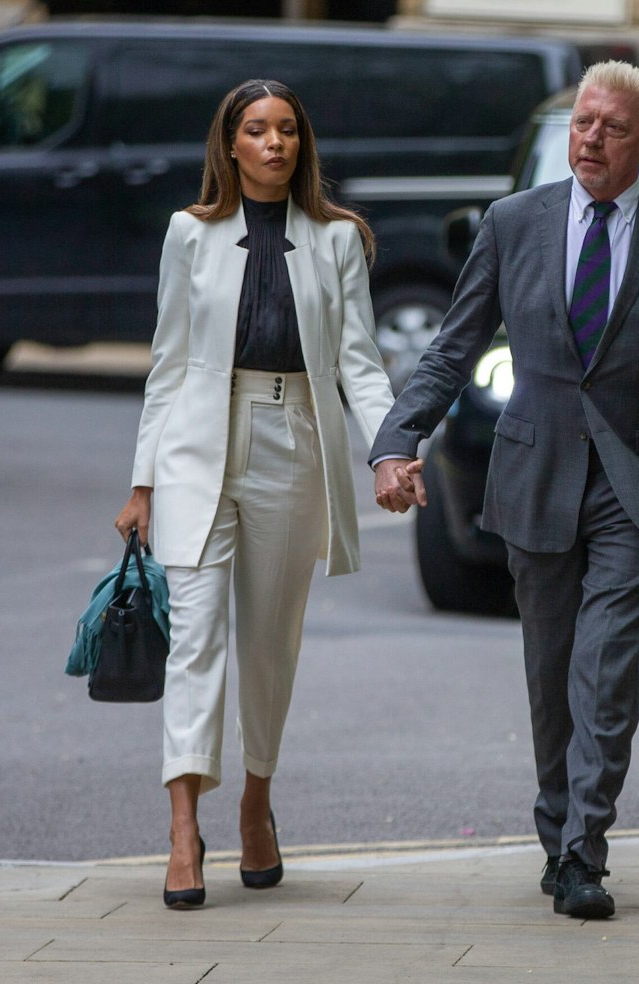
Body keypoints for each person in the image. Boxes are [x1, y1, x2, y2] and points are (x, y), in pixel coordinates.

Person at [371, 61, 639, 920]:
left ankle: (585, 852)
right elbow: (452, 346)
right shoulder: (514, 223)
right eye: (583, 123)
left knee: (602, 664)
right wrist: (397, 440)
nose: (592, 139)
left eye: (614, 129)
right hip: (538, 476)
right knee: (551, 669)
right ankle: (556, 835)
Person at [114, 78, 417, 911]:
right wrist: (142, 482)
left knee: (269, 645)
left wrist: (389, 453)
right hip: (193, 444)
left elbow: (359, 361)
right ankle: (183, 829)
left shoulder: (340, 239)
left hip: (293, 437)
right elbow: (168, 362)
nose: (274, 143)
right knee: (195, 639)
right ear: (231, 144)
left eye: (287, 129)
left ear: (301, 144)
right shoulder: (188, 233)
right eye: (257, 130)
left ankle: (255, 798)